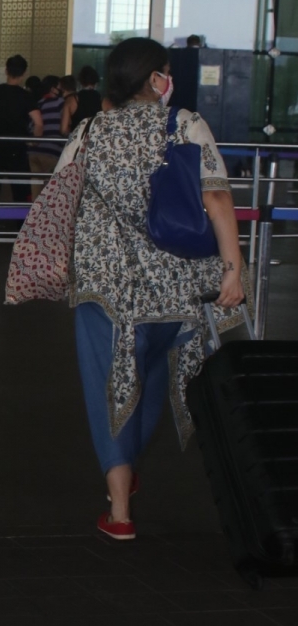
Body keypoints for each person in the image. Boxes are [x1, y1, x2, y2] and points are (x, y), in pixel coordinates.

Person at [53, 36, 246, 542]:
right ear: (157, 79)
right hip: (175, 291)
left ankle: (119, 512)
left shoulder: (89, 132)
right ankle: (129, 470)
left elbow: (58, 202)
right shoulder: (186, 125)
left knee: (108, 389)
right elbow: (219, 201)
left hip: (107, 291)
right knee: (153, 381)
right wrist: (233, 269)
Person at [0, 54, 34, 209]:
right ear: (24, 73)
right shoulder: (26, 96)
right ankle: (21, 226)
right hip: (17, 147)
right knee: (20, 188)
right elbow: (38, 121)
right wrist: (34, 140)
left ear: (6, 70)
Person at [28, 74, 65, 179]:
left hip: (33, 152)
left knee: (36, 188)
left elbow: (31, 126)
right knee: (50, 190)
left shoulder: (38, 104)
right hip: (52, 151)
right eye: (59, 87)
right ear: (53, 89)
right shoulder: (60, 103)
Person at [69, 65, 102, 132]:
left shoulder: (73, 99)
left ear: (80, 81)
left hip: (77, 138)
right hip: (95, 137)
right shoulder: (102, 100)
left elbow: (63, 129)